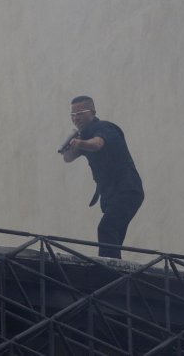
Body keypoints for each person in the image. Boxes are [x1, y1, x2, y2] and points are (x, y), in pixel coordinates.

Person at [61, 95, 144, 259]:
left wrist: (79, 143)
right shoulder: (83, 136)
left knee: (106, 228)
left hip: (127, 189)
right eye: (73, 115)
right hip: (109, 195)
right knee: (113, 235)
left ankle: (109, 272)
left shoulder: (105, 128)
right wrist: (71, 142)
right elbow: (68, 158)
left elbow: (97, 144)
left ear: (92, 112)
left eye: (80, 113)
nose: (76, 118)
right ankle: (116, 270)